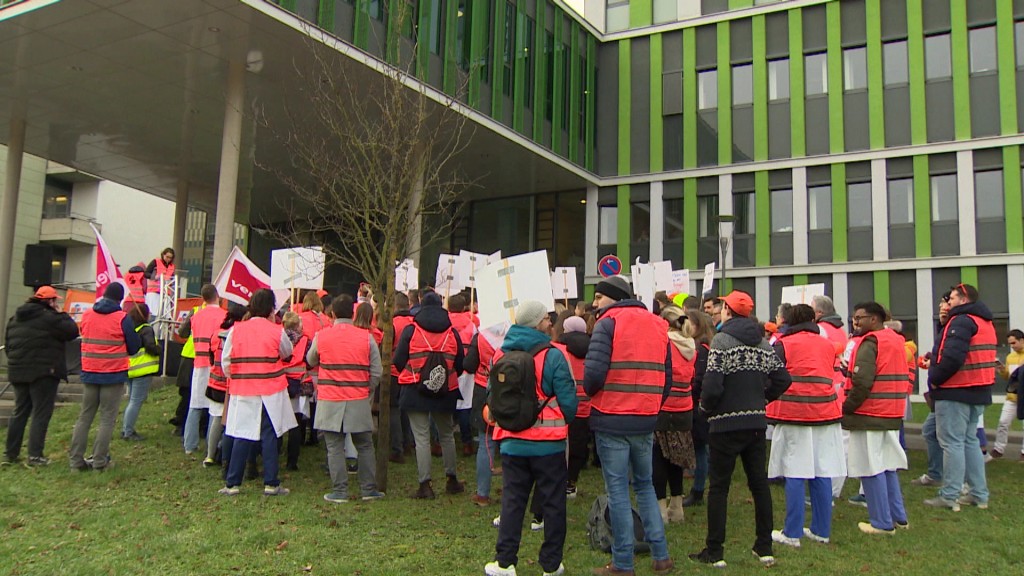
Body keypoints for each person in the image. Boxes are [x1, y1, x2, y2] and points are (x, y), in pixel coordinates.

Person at [690, 290, 790, 568]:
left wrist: (705, 410)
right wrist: (763, 398)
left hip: (724, 425)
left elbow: (711, 386)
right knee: (759, 485)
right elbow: (783, 377)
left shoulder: (721, 340)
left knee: (719, 488)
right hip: (756, 423)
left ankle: (714, 551)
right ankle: (764, 547)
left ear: (728, 312)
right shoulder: (762, 342)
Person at [584, 275, 674, 576]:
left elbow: (594, 374)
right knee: (646, 487)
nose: (595, 304)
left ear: (614, 297)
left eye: (599, 297)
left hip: (612, 416)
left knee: (618, 490)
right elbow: (667, 377)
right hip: (645, 418)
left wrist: (591, 392)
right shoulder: (658, 324)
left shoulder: (607, 324)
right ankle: (661, 556)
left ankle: (623, 562)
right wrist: (652, 405)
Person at [483, 301, 577, 576]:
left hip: (511, 441)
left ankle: (504, 562)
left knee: (512, 502)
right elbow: (569, 402)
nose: (550, 322)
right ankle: (550, 565)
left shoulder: (500, 354)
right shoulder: (554, 355)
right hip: (549, 444)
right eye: (547, 319)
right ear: (537, 323)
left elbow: (492, 397)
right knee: (553, 504)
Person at [768, 304, 846, 547]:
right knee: (822, 470)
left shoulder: (783, 343)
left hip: (794, 413)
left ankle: (792, 533)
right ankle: (821, 530)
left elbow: (772, 374)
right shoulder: (826, 344)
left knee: (794, 470)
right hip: (825, 413)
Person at [307, 295, 385, 503]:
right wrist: (366, 389)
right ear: (352, 314)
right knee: (365, 445)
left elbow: (310, 359)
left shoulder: (321, 335)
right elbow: (377, 372)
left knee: (334, 447)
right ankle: (368, 490)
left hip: (330, 398)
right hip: (358, 398)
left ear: (331, 313)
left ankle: (339, 491)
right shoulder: (366, 337)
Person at [924, 283, 994, 511]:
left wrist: (935, 377)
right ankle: (978, 493)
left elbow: (952, 357)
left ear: (963, 299)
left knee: (952, 442)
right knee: (969, 441)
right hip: (978, 389)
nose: (948, 302)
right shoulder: (984, 321)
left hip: (956, 390)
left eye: (952, 298)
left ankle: (950, 494)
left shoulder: (961, 321)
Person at [220, 289, 296, 496]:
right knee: (269, 435)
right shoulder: (276, 330)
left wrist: (237, 375)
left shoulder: (237, 330)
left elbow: (225, 361)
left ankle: (232, 483)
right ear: (271, 308)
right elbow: (287, 351)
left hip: (243, 388)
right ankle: (271, 483)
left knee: (241, 434)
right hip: (270, 390)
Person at [843, 302, 910, 534]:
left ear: (874, 319)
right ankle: (899, 517)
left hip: (869, 413)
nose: (855, 322)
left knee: (870, 467)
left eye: (859, 318)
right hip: (891, 412)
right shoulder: (894, 339)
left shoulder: (871, 342)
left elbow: (862, 383)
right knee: (888, 466)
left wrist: (846, 407)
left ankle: (881, 522)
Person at [392, 291, 467, 499]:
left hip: (415, 389)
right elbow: (461, 363)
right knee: (446, 435)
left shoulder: (411, 330)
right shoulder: (452, 332)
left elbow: (398, 360)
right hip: (446, 390)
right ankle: (452, 480)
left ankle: (425, 485)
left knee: (422, 438)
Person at [2, 286, 79, 466]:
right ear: (50, 302)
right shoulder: (51, 318)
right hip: (44, 372)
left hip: (18, 371)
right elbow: (72, 331)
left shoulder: (15, 319)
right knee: (41, 413)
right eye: (55, 301)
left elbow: (8, 344)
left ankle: (10, 454)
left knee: (19, 412)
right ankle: (35, 456)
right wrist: (62, 313)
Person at [70, 283, 142, 471]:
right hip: (112, 374)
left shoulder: (87, 315)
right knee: (107, 419)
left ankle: (75, 461)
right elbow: (133, 347)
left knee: (84, 417)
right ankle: (100, 462)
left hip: (89, 372)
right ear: (120, 299)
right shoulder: (122, 318)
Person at [654, 305, 695, 525]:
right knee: (677, 458)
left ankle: (660, 508)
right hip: (684, 407)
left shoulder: (664, 343)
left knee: (658, 458)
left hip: (663, 405)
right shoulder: (691, 345)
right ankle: (677, 506)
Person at [912, 291, 951, 487]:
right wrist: (931, 358)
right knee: (931, 431)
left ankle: (957, 482)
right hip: (939, 393)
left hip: (950, 393)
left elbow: (953, 358)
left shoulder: (957, 328)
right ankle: (936, 474)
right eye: (940, 306)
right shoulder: (944, 329)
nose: (942, 308)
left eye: (946, 304)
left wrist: (934, 363)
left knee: (954, 440)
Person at [184, 285, 227, 455]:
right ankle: (212, 445)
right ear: (217, 296)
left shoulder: (196, 315)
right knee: (214, 407)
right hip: (215, 363)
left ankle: (189, 444)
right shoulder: (223, 315)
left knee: (195, 404)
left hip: (199, 362)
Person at [465, 322, 505, 506]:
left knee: (485, 441)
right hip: (509, 389)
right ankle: (509, 489)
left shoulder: (480, 337)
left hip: (484, 389)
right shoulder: (514, 334)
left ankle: (483, 494)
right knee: (509, 440)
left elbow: (468, 364)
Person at [204, 302, 247, 468]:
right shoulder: (240, 333)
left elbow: (211, 355)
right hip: (230, 383)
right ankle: (224, 454)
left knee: (214, 418)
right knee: (229, 421)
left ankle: (209, 455)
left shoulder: (217, 333)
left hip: (214, 381)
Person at [552, 315, 590, 500]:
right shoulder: (594, 348)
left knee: (560, 447)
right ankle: (571, 483)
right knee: (578, 447)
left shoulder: (558, 349)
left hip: (564, 404)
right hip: (586, 405)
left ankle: (558, 480)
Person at [683, 310, 716, 508]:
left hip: (697, 405)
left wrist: (690, 392)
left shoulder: (701, 349)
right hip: (696, 403)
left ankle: (698, 490)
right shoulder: (698, 346)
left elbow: (699, 377)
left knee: (700, 449)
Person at [122, 303, 161, 441]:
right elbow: (150, 346)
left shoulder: (131, 328)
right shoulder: (146, 329)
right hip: (143, 369)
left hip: (130, 368)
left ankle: (126, 428)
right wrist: (158, 349)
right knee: (136, 401)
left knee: (132, 400)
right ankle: (128, 431)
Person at [449, 294, 478, 457]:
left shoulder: (444, 322)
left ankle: (439, 442)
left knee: (445, 405)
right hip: (466, 369)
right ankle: (467, 443)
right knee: (465, 405)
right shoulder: (471, 324)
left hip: (449, 367)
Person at [387, 292, 415, 463]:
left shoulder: (392, 324)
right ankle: (408, 444)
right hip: (411, 372)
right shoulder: (415, 324)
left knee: (393, 410)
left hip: (393, 371)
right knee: (406, 410)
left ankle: (396, 449)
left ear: (395, 307)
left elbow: (386, 347)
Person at [992, 329, 1024, 460]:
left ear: (1022, 340)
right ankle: (998, 449)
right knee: (1003, 422)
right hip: (1012, 396)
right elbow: (1008, 377)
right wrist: (1001, 369)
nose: (1012, 346)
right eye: (1010, 344)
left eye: (1014, 343)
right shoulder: (1010, 357)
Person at [144, 247, 175, 314]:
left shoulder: (172, 266)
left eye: (170, 258)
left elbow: (172, 278)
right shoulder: (155, 262)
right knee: (153, 314)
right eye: (167, 257)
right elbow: (146, 273)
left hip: (166, 294)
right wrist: (155, 277)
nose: (168, 259)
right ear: (163, 255)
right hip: (154, 292)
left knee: (165, 315)